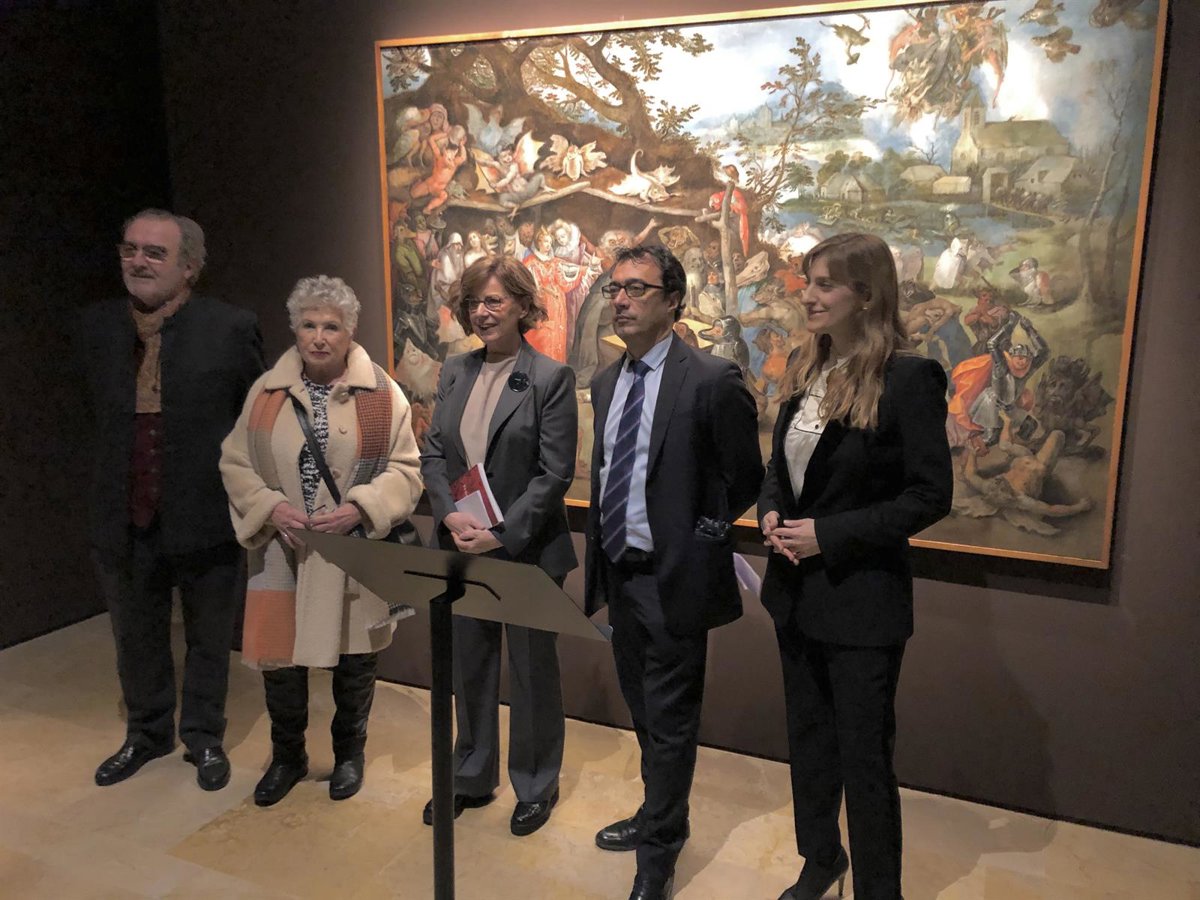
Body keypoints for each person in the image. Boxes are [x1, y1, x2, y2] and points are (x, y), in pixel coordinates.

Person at [758, 233, 952, 900]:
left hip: (862, 603)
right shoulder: (806, 366)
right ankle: (820, 861)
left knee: (864, 761)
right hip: (794, 594)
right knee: (809, 746)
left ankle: (878, 890)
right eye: (807, 281)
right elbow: (780, 469)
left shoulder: (909, 379)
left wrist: (829, 535)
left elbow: (929, 496)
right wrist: (770, 512)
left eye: (825, 284)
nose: (808, 295)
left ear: (866, 295)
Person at [585, 245, 762, 900]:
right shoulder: (607, 382)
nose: (621, 299)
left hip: (675, 580)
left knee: (671, 721)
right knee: (644, 711)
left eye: (637, 288)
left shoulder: (711, 379)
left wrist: (704, 536)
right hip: (620, 573)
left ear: (673, 302)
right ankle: (661, 812)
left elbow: (745, 476)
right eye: (614, 288)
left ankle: (658, 854)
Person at [220, 275, 423, 806]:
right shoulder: (267, 392)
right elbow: (235, 461)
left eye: (330, 326)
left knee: (355, 663)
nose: (318, 337)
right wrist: (271, 507)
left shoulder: (383, 393)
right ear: (295, 328)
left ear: (349, 330)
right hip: (282, 548)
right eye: (308, 325)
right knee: (280, 664)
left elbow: (407, 470)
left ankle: (349, 754)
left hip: (351, 550)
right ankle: (287, 756)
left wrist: (361, 507)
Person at [80, 209, 264, 792]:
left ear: (189, 267)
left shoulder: (230, 328)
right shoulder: (95, 326)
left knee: (208, 635)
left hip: (205, 513)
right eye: (130, 249)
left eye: (154, 253)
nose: (138, 261)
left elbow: (257, 421)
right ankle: (146, 732)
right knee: (135, 632)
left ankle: (204, 735)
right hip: (122, 511)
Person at [418, 256, 578, 836]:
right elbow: (435, 452)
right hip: (462, 544)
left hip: (526, 551)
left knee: (532, 673)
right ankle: (470, 775)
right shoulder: (455, 370)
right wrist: (450, 514)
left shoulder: (550, 378)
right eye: (474, 303)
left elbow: (554, 474)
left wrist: (501, 532)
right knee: (471, 665)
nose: (482, 312)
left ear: (522, 306)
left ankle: (536, 783)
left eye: (494, 301)